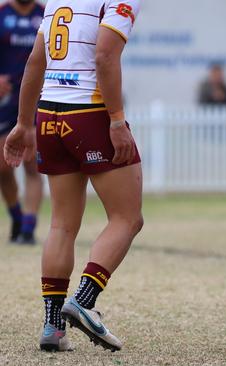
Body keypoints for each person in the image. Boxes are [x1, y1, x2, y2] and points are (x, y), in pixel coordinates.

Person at [3, 0, 143, 352]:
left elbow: (36, 61)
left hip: (48, 114)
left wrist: (23, 123)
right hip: (89, 111)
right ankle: (83, 300)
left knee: (61, 225)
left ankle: (53, 326)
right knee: (127, 218)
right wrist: (116, 120)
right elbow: (104, 58)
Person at [0, 0, 45, 244]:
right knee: (3, 167)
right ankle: (16, 216)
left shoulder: (47, 13)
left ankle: (28, 227)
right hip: (6, 101)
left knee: (32, 163)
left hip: (39, 98)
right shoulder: (2, 14)